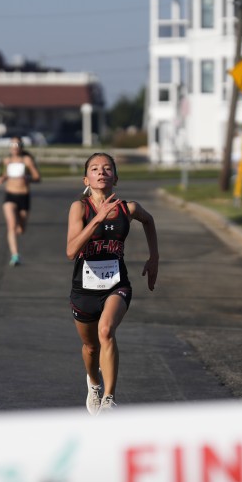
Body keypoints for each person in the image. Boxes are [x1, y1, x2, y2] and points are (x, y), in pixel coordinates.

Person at [67, 152, 159, 414]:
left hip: (116, 285)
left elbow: (149, 220)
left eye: (107, 168)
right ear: (86, 179)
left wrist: (154, 257)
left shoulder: (128, 208)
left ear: (115, 178)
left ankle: (109, 399)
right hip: (84, 288)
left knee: (106, 331)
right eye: (95, 168)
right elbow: (71, 251)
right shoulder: (80, 208)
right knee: (90, 347)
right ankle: (94, 383)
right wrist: (98, 218)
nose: (101, 172)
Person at [0, 136, 41, 266]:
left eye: (17, 145)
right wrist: (3, 178)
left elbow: (37, 177)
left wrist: (28, 178)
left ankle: (18, 230)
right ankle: (15, 255)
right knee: (11, 225)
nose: (14, 147)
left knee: (21, 229)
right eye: (12, 145)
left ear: (21, 146)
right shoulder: (7, 160)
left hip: (23, 196)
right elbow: (6, 174)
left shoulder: (26, 160)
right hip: (10, 195)